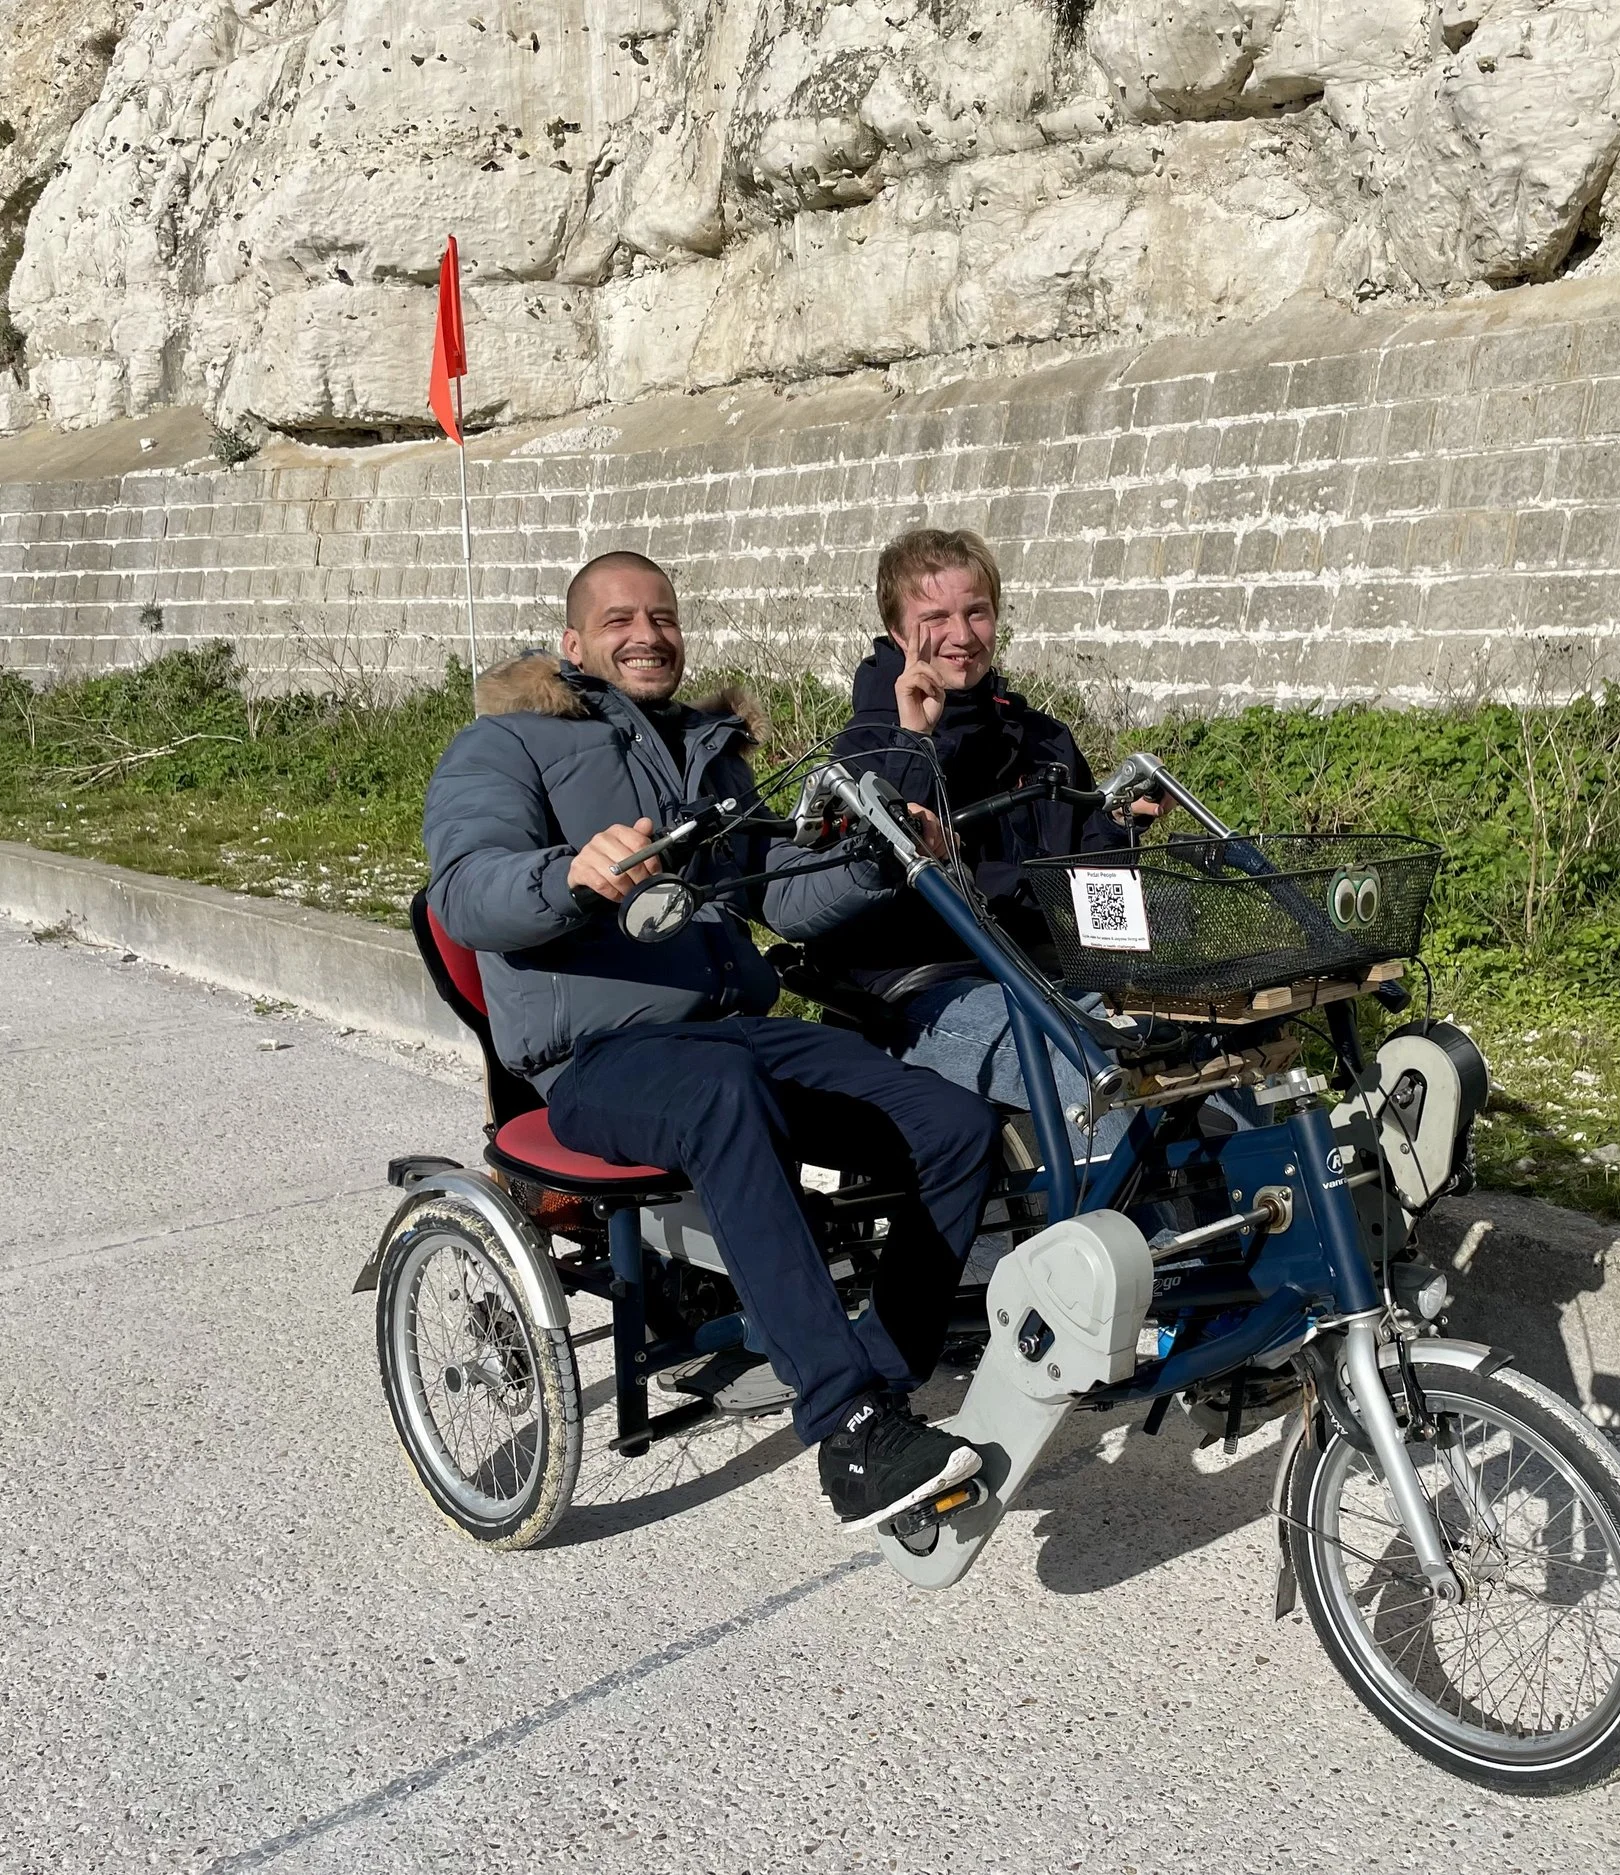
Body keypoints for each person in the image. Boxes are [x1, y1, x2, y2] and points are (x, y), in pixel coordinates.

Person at [422, 548, 997, 1532]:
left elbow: (781, 896)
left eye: (663, 617)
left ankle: (884, 1378)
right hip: (600, 1061)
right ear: (572, 644)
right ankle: (850, 1429)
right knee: (721, 1101)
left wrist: (875, 859)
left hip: (739, 1030)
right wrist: (570, 876)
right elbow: (467, 889)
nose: (647, 634)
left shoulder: (710, 752)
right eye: (619, 620)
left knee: (949, 1122)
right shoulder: (504, 746)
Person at [809, 528, 1150, 1151]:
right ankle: (1126, 1246)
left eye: (977, 612)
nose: (962, 637)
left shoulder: (1043, 738)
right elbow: (874, 869)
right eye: (934, 617)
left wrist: (1120, 826)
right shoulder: (865, 747)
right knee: (1094, 1078)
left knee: (1198, 1059)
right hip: (927, 987)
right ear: (895, 632)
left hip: (1048, 973)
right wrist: (916, 739)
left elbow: (1087, 876)